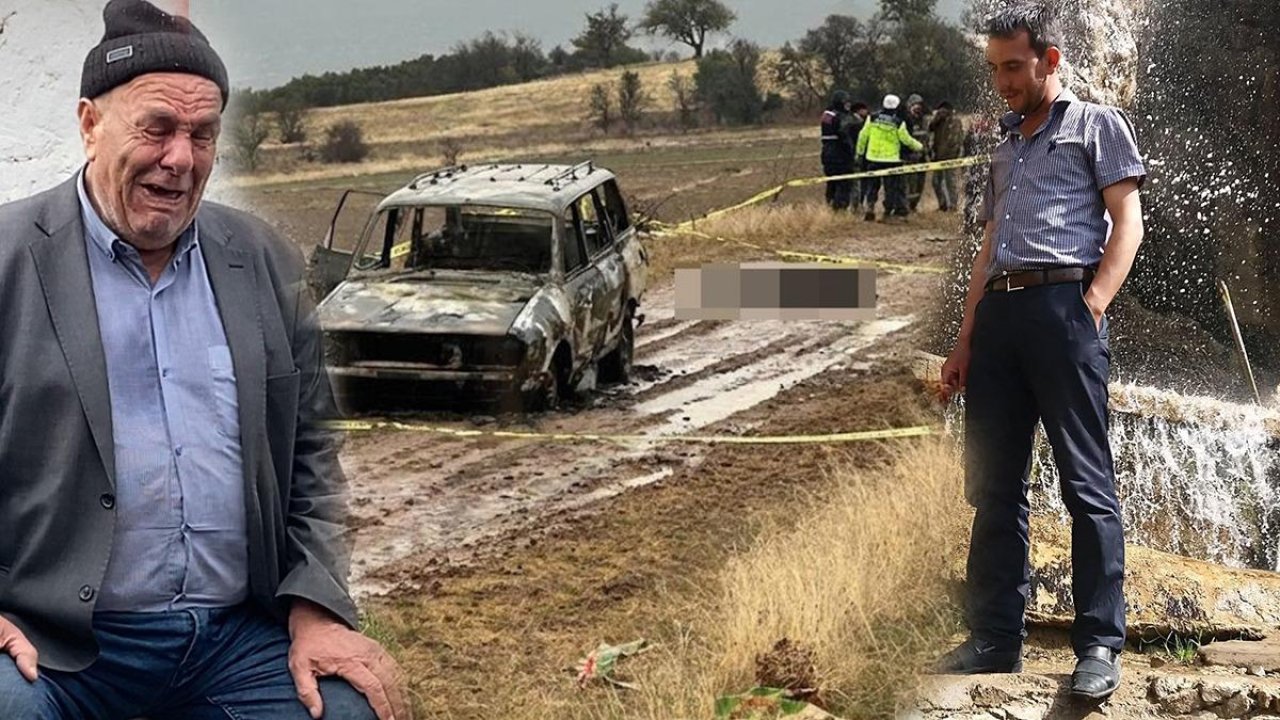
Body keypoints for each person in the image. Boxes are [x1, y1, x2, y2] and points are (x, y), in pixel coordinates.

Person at [0, 2, 411, 718]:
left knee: (350, 710)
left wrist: (315, 604)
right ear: (90, 123)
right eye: (156, 128)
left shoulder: (262, 260)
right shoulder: (7, 261)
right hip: (57, 643)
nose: (181, 159)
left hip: (235, 639)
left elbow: (311, 454)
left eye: (202, 135)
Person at [936, 2, 1145, 702]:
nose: (1003, 82)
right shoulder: (1001, 143)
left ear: (1050, 60)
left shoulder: (1097, 125)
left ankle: (1099, 646)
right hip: (999, 314)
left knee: (1086, 484)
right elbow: (987, 247)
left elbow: (1128, 224)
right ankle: (996, 637)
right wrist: (966, 337)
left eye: (1014, 68)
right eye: (994, 69)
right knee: (995, 485)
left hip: (1064, 308)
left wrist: (1090, 308)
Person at [856, 94, 925, 222]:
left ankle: (869, 208)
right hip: (891, 159)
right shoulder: (898, 122)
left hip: (873, 157)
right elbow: (906, 139)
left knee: (872, 185)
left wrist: (860, 153)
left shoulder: (872, 117)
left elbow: (863, 135)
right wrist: (920, 147)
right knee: (891, 188)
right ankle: (888, 212)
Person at [819, 91, 862, 212]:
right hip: (841, 156)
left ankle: (829, 207)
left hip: (827, 154)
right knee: (843, 183)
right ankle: (839, 210)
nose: (848, 106)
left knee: (831, 183)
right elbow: (844, 134)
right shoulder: (840, 117)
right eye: (846, 103)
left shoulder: (827, 115)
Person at [928, 101, 967, 212]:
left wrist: (954, 154)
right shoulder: (938, 121)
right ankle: (942, 204)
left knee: (950, 182)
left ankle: (953, 205)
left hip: (950, 156)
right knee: (936, 182)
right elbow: (930, 129)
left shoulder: (955, 121)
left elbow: (956, 140)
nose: (942, 113)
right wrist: (936, 119)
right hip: (937, 156)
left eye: (944, 111)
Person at [902, 93, 930, 212]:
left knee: (920, 183)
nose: (917, 107)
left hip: (922, 156)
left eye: (919, 105)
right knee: (909, 182)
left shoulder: (924, 120)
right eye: (915, 104)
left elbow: (928, 137)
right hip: (909, 156)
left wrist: (928, 152)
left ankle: (914, 205)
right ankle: (907, 205)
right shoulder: (905, 120)